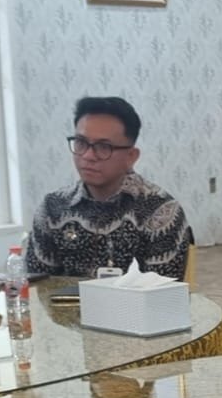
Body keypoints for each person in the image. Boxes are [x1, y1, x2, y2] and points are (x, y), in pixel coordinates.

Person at [27, 97, 193, 281]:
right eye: (81, 142)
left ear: (131, 156)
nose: (88, 156)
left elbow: (161, 292)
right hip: (63, 301)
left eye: (103, 147)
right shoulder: (53, 208)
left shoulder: (159, 211)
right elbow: (37, 284)